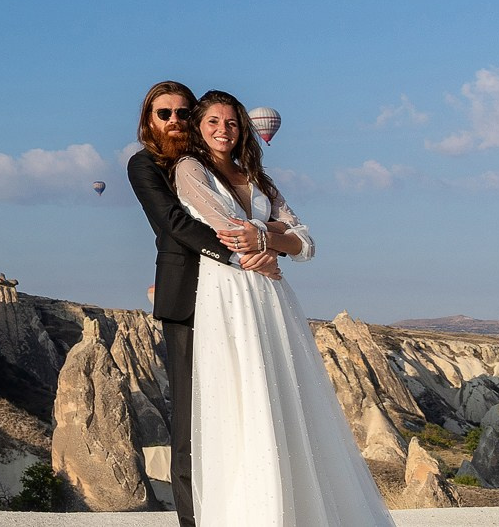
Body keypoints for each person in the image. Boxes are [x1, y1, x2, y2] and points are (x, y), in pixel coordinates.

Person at [174, 90, 393, 527]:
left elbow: (308, 244)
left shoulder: (259, 177)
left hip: (272, 293)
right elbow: (227, 227)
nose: (223, 130)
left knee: (287, 397)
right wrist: (274, 234)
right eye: (213, 121)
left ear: (244, 129)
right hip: (230, 292)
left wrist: (268, 239)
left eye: (232, 122)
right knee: (243, 397)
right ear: (198, 126)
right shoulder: (189, 169)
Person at [127, 81, 273, 527]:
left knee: (245, 406)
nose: (175, 121)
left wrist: (265, 244)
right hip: (189, 298)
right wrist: (239, 254)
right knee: (192, 421)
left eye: (183, 113)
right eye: (164, 113)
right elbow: (172, 224)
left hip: (239, 298)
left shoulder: (215, 165)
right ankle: (193, 521)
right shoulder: (144, 165)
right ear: (149, 120)